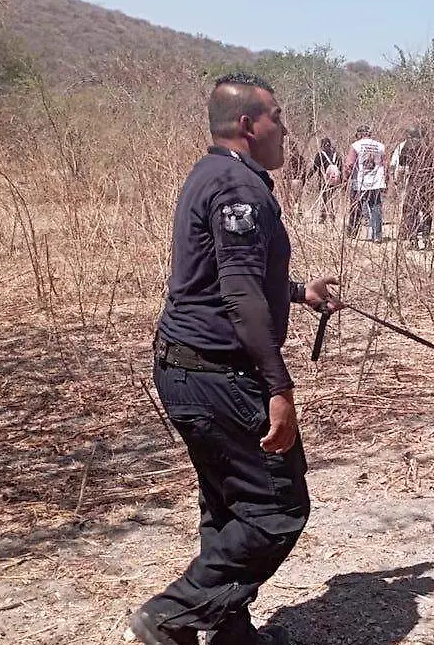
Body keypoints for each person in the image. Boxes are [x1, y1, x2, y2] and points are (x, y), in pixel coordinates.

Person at [129, 72, 343, 645]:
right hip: (217, 373)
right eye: (279, 116)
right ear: (249, 125)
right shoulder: (240, 189)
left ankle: (230, 630)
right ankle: (172, 613)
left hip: (185, 366)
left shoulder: (213, 174)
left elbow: (227, 273)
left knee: (227, 500)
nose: (287, 130)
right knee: (277, 507)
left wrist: (300, 293)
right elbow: (240, 292)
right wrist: (280, 387)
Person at [392, 125, 434, 249]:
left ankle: (413, 240)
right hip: (429, 180)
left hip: (414, 180)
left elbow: (402, 161)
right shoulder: (432, 146)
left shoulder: (409, 146)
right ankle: (427, 239)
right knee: (426, 210)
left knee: (411, 210)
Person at [344, 125, 388, 242]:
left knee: (357, 207)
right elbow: (385, 165)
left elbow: (349, 164)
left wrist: (346, 177)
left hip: (360, 183)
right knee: (376, 208)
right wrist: (386, 180)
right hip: (377, 182)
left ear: (359, 134)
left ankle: (353, 233)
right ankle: (377, 235)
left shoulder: (356, 146)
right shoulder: (380, 146)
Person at [307, 137, 344, 223]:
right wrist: (342, 180)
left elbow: (315, 168)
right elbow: (341, 168)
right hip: (335, 180)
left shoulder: (320, 154)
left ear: (321, 145)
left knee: (325, 198)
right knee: (330, 197)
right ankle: (328, 215)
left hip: (324, 180)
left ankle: (325, 216)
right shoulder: (337, 155)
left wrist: (308, 177)